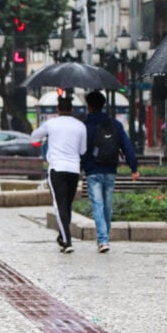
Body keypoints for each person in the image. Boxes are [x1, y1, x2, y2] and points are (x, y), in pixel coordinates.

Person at [81, 90, 139, 254]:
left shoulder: (86, 125)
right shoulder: (114, 124)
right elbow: (127, 146)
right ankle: (104, 237)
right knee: (107, 205)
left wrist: (82, 167)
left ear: (89, 106)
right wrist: (133, 168)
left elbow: (82, 150)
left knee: (97, 205)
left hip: (93, 170)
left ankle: (103, 240)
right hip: (110, 169)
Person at [31, 96, 87, 254]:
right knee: (67, 204)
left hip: (56, 168)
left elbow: (34, 136)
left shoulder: (51, 124)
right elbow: (83, 150)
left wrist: (47, 136)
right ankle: (63, 237)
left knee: (59, 204)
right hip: (74, 169)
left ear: (58, 109)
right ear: (72, 109)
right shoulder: (80, 126)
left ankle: (67, 239)